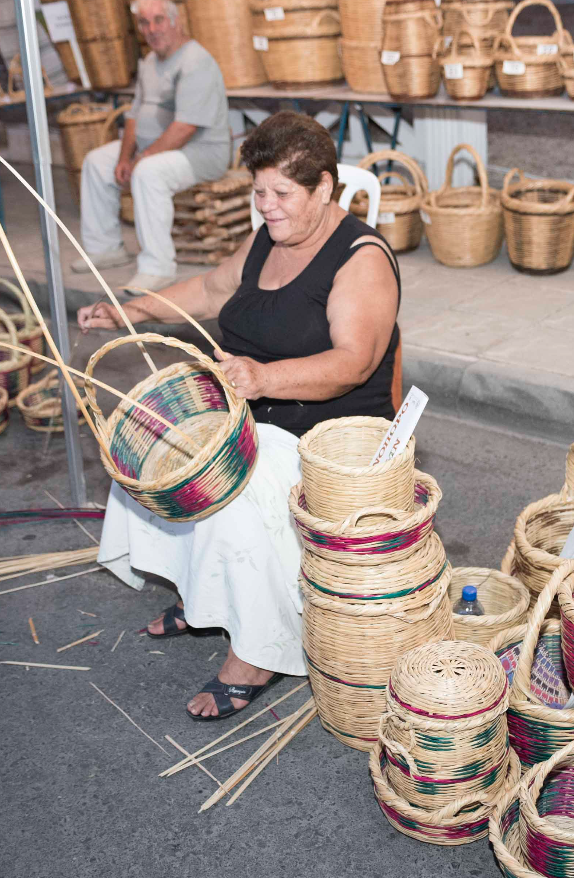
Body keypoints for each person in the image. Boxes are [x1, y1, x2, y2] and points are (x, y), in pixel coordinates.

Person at [80, 111, 401, 721]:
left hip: (327, 435)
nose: (267, 207)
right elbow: (208, 289)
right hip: (253, 413)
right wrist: (133, 310)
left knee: (229, 489)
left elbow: (355, 363)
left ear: (325, 189)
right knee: (156, 455)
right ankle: (209, 597)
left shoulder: (361, 259)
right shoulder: (268, 239)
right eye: (259, 192)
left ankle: (257, 653)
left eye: (282, 193)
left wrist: (263, 377)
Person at [71, 0, 230, 293]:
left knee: (147, 172)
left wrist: (141, 159)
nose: (152, 29)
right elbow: (133, 116)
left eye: (158, 20)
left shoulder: (196, 61)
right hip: (155, 148)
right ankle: (105, 247)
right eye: (144, 23)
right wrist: (124, 158)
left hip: (201, 152)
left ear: (175, 21)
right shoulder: (149, 62)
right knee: (96, 162)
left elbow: (185, 127)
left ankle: (158, 267)